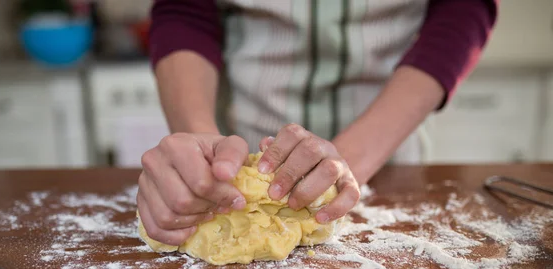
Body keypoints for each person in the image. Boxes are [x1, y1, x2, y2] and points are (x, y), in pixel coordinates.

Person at [138, 0, 498, 246]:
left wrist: (349, 161)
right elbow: (184, 10)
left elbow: (462, 9)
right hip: (242, 146)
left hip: (389, 152)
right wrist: (202, 152)